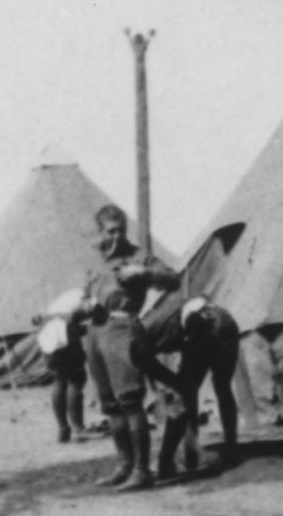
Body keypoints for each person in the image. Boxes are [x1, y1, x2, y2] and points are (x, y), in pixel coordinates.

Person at [79, 204, 181, 491]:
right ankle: (124, 465)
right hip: (96, 332)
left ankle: (141, 470)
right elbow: (86, 294)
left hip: (123, 330)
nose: (117, 237)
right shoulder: (96, 263)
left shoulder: (139, 257)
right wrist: (87, 303)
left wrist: (144, 273)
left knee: (130, 401)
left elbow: (174, 279)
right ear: (100, 233)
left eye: (121, 230)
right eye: (110, 232)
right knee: (110, 404)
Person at [146, 296, 241, 478]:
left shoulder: (150, 328)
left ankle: (182, 456)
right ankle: (230, 447)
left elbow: (153, 359)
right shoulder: (162, 317)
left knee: (187, 394)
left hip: (205, 325)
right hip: (225, 320)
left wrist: (174, 382)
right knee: (222, 386)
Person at [33, 288, 90, 443]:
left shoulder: (62, 298)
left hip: (49, 339)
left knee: (59, 380)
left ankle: (63, 429)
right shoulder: (84, 296)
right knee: (76, 380)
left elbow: (38, 320)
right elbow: (83, 316)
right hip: (66, 336)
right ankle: (78, 429)